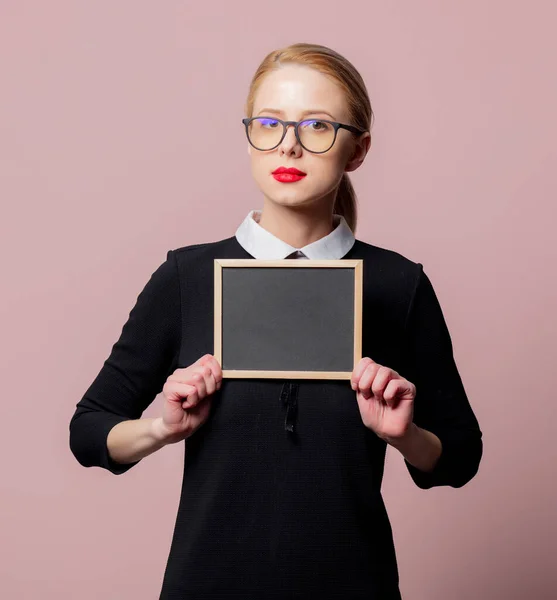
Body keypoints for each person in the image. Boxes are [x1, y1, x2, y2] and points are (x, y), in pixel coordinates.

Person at [69, 42, 483, 599]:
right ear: (249, 135)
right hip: (207, 584)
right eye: (269, 123)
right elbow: (89, 428)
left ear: (357, 151)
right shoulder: (188, 277)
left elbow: (459, 455)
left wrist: (404, 435)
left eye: (317, 126)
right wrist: (159, 429)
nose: (288, 144)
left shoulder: (398, 285)